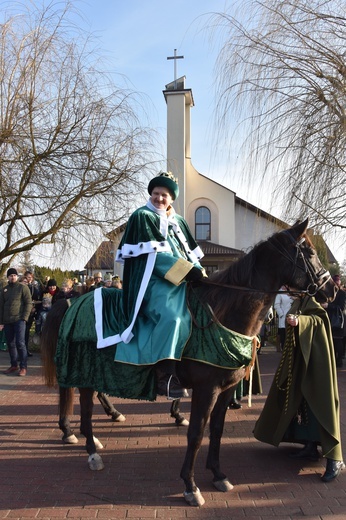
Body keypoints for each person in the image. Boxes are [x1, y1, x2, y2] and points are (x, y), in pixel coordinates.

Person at [96, 171, 206, 399]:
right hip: (153, 281)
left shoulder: (179, 222)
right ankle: (164, 375)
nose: (159, 198)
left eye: (164, 194)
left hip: (182, 279)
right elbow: (154, 258)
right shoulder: (142, 216)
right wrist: (188, 271)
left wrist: (200, 272)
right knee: (173, 317)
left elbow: (189, 254)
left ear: (171, 199)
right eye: (156, 193)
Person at [254, 294, 344, 482]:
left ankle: (334, 459)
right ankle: (309, 446)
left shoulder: (315, 300)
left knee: (322, 406)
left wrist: (301, 321)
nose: (288, 291)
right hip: (300, 361)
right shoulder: (299, 301)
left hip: (317, 365)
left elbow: (320, 321)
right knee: (302, 404)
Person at [0, 268, 33, 376]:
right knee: (10, 344)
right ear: (7, 277)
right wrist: (1, 322)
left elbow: (28, 303)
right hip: (7, 321)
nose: (12, 277)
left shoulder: (23, 288)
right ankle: (14, 365)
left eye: (14, 275)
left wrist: (24, 317)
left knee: (20, 343)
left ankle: (23, 367)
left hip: (19, 320)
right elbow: (1, 307)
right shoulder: (4, 290)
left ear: (17, 276)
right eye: (10, 275)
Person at [323, 274, 346, 368]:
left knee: (338, 341)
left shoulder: (342, 293)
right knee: (330, 340)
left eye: (337, 281)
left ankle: (339, 360)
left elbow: (341, 307)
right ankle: (332, 359)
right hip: (329, 319)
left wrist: (328, 306)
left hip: (338, 319)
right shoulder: (328, 293)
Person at [22, 271, 42, 357]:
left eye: (30, 277)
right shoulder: (22, 287)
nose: (28, 279)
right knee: (21, 332)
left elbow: (37, 298)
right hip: (22, 312)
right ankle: (21, 351)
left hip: (30, 312)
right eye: (27, 277)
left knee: (26, 332)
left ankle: (26, 349)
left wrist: (34, 308)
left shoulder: (34, 288)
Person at [274, 287, 294, 352]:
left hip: (294, 317)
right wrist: (282, 315)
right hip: (284, 319)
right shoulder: (280, 292)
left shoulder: (293, 290)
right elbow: (276, 305)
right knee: (284, 338)